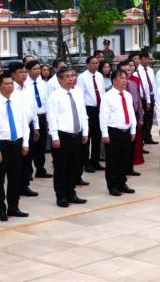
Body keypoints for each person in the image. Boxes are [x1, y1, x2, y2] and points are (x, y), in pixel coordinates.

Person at [0, 73, 30, 221]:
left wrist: (25, 143)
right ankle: (1, 209)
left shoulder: (18, 101)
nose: (10, 86)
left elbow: (24, 123)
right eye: (6, 83)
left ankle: (13, 206)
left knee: (15, 177)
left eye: (11, 83)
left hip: (17, 143)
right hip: (2, 144)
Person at [47, 67, 88, 207]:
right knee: (61, 167)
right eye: (68, 76)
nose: (71, 78)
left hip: (76, 135)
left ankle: (71, 193)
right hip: (62, 136)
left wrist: (85, 132)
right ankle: (61, 195)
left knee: (74, 166)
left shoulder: (77, 93)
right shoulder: (54, 96)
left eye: (73, 76)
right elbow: (52, 117)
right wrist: (55, 137)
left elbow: (83, 113)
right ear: (60, 79)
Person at [99, 67, 137, 196]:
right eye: (121, 78)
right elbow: (103, 116)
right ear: (114, 80)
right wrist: (105, 134)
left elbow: (131, 113)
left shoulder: (127, 95)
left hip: (126, 132)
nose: (125, 80)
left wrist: (133, 130)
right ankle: (113, 185)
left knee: (124, 160)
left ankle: (122, 183)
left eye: (125, 78)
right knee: (113, 161)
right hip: (113, 132)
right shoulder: (108, 96)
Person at [24, 60, 50, 183]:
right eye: (35, 69)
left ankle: (40, 168)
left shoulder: (43, 83)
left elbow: (47, 102)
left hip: (42, 115)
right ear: (28, 71)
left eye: (39, 68)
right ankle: (28, 171)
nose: (38, 71)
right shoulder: (25, 84)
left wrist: (48, 119)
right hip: (31, 117)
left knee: (42, 144)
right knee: (30, 144)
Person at [79, 55, 105, 173]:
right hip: (88, 109)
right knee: (87, 136)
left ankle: (95, 161)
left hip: (99, 108)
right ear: (87, 64)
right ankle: (86, 162)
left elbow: (102, 92)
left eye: (97, 63)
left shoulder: (99, 76)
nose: (95, 65)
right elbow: (80, 95)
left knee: (97, 136)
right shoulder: (82, 77)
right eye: (93, 63)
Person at [135, 50, 157, 145]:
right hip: (143, 97)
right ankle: (142, 138)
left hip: (151, 95)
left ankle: (148, 136)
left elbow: (153, 84)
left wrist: (155, 97)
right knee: (143, 118)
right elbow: (144, 86)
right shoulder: (137, 71)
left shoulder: (151, 70)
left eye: (148, 59)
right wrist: (147, 101)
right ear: (140, 60)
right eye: (145, 59)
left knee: (150, 118)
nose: (147, 60)